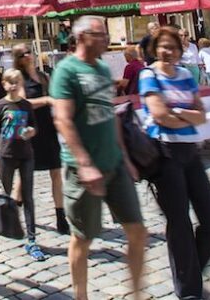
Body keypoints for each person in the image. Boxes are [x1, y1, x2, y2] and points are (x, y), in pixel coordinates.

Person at [51, 16, 147, 300]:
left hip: (114, 162)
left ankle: (137, 293)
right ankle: (81, 296)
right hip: (83, 169)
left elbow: (111, 115)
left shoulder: (104, 69)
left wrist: (126, 158)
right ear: (81, 37)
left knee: (138, 231)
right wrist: (84, 163)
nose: (107, 39)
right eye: (100, 34)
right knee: (83, 238)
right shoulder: (66, 71)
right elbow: (63, 120)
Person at [139, 26, 210, 300]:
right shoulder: (148, 75)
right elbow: (160, 116)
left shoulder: (186, 74)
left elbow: (202, 116)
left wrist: (179, 113)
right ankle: (188, 292)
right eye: (162, 46)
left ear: (180, 49)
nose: (167, 51)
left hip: (189, 151)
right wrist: (187, 115)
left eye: (172, 46)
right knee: (180, 223)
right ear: (154, 49)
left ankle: (190, 272)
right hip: (164, 154)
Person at [11, 43, 68, 235]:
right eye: (25, 53)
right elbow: (22, 102)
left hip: (49, 128)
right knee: (25, 176)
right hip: (32, 130)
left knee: (56, 172)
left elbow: (55, 96)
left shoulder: (44, 75)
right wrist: (45, 100)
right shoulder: (20, 79)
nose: (30, 55)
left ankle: (61, 217)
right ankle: (13, 210)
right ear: (19, 58)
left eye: (30, 52)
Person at [0, 68, 47, 262]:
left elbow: (34, 125)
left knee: (28, 198)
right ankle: (3, 226)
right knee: (5, 196)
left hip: (26, 155)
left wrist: (32, 131)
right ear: (4, 84)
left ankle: (32, 240)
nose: (14, 85)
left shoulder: (25, 105)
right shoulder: (0, 106)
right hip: (6, 156)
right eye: (10, 82)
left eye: (17, 82)